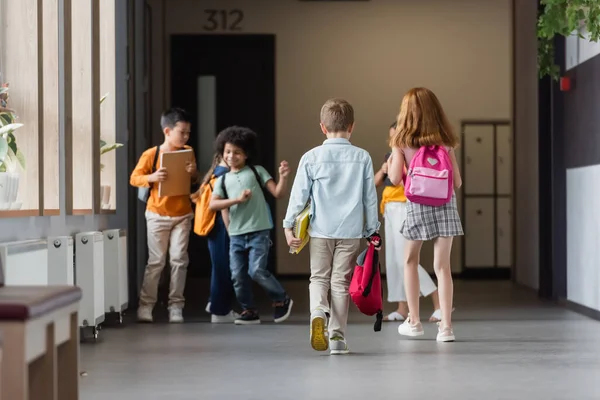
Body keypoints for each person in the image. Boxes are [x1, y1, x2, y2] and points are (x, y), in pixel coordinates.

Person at [283, 98, 380, 355]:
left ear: (322, 127)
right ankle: (337, 337)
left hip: (320, 231)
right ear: (352, 126)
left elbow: (298, 195)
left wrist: (288, 225)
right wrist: (373, 230)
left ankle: (318, 311)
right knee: (340, 282)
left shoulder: (312, 157)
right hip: (350, 232)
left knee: (318, 278)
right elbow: (370, 197)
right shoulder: (362, 157)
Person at [387, 88, 463, 342]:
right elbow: (458, 182)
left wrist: (397, 157)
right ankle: (446, 328)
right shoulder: (445, 139)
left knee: (409, 260)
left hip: (417, 204)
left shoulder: (402, 140)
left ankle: (415, 321)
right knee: (442, 267)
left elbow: (395, 178)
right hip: (445, 204)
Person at [209, 126, 294, 325]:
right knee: (237, 275)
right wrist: (237, 201)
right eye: (228, 151)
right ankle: (249, 310)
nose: (231, 156)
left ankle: (281, 298)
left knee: (256, 270)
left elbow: (278, 194)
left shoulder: (257, 171)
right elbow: (214, 205)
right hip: (236, 235)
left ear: (247, 154)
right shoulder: (222, 180)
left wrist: (283, 176)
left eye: (237, 152)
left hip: (259, 231)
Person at [130, 107, 199, 323]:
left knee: (179, 260)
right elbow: (134, 178)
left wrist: (193, 172)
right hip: (157, 214)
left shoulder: (188, 151)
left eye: (188, 132)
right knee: (156, 261)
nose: (186, 136)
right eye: (182, 132)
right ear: (167, 131)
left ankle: (176, 306)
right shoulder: (152, 154)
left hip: (183, 214)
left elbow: (195, 180)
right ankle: (146, 305)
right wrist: (152, 177)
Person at [374, 122, 442, 322]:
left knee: (406, 259)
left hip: (405, 206)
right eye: (391, 137)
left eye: (397, 136)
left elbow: (408, 182)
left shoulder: (414, 156)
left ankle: (438, 303)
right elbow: (376, 182)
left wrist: (400, 165)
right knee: (394, 260)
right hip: (389, 208)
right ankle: (402, 307)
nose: (393, 140)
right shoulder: (390, 156)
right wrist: (384, 168)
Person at [192, 153, 239, 323]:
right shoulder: (224, 176)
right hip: (221, 227)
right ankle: (220, 311)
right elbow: (224, 208)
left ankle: (215, 303)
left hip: (212, 227)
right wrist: (232, 232)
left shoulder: (213, 174)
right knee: (224, 269)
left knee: (219, 267)